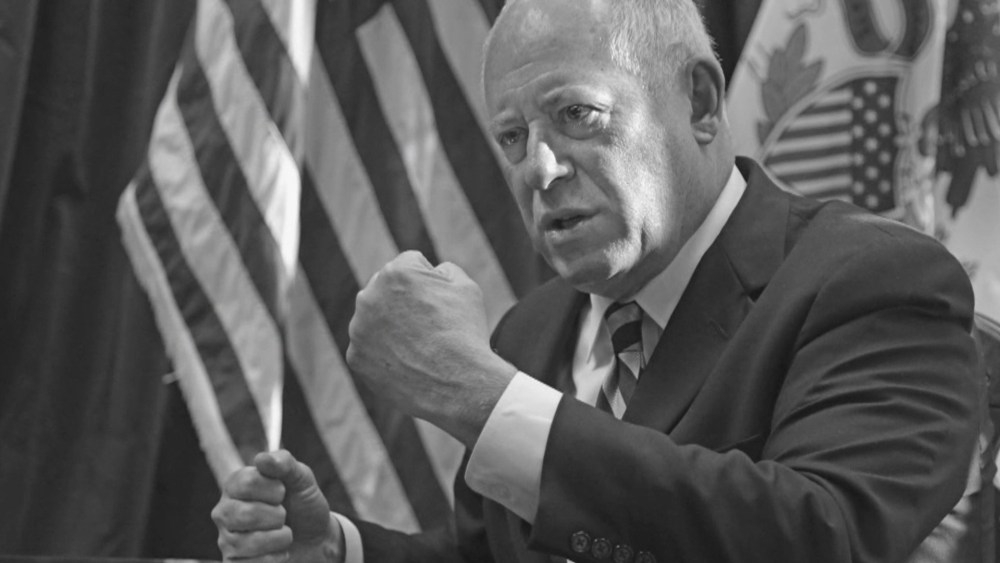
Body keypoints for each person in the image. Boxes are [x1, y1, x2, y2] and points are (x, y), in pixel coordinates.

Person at [212, 0, 983, 561]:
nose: (538, 168)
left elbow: (823, 536)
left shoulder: (874, 280)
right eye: (512, 137)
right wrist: (342, 550)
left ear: (700, 102)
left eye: (576, 115)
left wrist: (484, 397)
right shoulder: (530, 329)